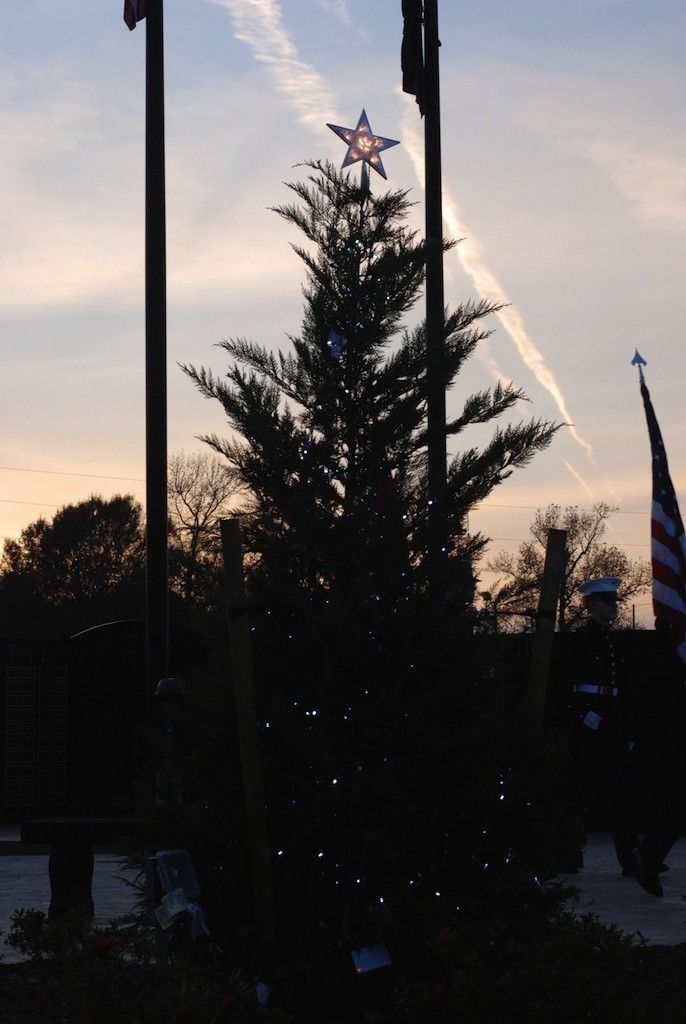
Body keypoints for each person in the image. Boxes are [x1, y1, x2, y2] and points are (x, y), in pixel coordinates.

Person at [567, 576, 639, 876]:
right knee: (577, 788)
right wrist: (583, 713)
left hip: (611, 717)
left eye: (614, 603)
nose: (614, 608)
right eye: (609, 603)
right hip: (590, 717)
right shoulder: (582, 639)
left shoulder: (615, 639)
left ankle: (631, 859)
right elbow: (565, 679)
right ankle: (568, 854)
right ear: (593, 605)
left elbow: (624, 684)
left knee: (621, 789)